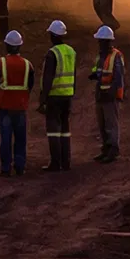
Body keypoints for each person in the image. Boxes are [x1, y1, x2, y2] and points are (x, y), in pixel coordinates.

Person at [0, 29, 32, 176]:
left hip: (5, 106)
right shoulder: (27, 64)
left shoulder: (1, 63)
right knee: (20, 138)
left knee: (5, 139)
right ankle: (20, 167)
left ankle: (6, 168)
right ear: (20, 46)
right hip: (20, 107)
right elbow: (30, 85)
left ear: (6, 46)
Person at [41, 19, 76, 171]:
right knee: (65, 130)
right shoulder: (71, 51)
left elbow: (48, 78)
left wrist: (43, 99)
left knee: (54, 130)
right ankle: (66, 162)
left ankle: (55, 163)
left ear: (53, 36)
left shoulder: (52, 53)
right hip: (67, 95)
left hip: (54, 96)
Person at [89, 25, 126, 162]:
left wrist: (112, 92)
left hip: (110, 95)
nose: (99, 43)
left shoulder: (116, 56)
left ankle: (113, 150)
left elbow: (118, 76)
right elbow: (100, 71)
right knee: (102, 124)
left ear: (107, 41)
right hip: (101, 93)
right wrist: (94, 75)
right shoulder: (101, 55)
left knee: (111, 124)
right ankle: (106, 149)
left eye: (101, 41)